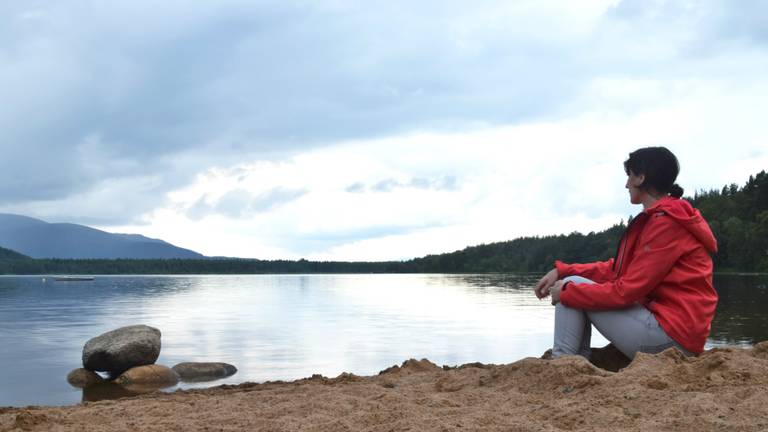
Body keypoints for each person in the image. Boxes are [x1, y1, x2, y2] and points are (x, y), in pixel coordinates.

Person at [534, 147, 717, 360]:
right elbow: (618, 269)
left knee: (570, 288)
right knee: (571, 282)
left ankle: (564, 362)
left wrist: (567, 291)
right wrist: (562, 271)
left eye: (630, 175)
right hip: (677, 333)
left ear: (641, 177)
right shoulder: (660, 218)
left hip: (672, 340)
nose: (626, 184)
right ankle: (574, 362)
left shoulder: (666, 223)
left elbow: (626, 291)